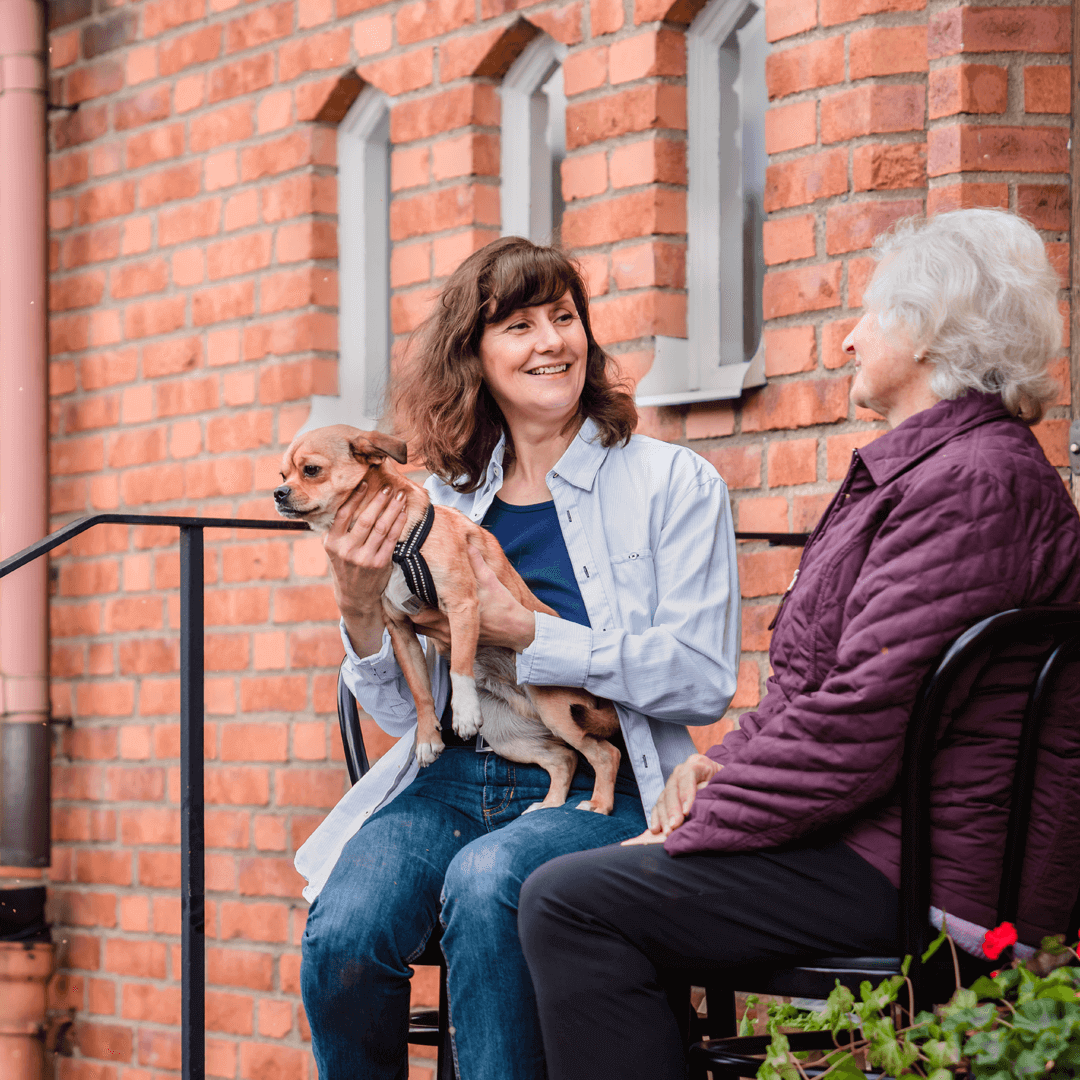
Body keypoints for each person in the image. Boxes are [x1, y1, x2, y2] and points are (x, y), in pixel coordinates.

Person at [517, 208, 1080, 1080]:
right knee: (594, 887)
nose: (848, 340)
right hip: (884, 840)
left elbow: (862, 722)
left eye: (872, 314)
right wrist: (718, 770)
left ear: (927, 333)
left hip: (930, 876)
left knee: (573, 900)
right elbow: (821, 694)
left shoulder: (972, 488)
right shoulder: (945, 472)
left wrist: (700, 826)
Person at [295, 236, 741, 1079]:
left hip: (614, 785)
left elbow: (702, 679)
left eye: (564, 318)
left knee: (488, 881)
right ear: (475, 358)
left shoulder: (672, 483)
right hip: (455, 780)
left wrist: (529, 633)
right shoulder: (441, 502)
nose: (550, 343)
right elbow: (400, 713)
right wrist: (357, 607)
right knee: (348, 925)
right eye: (518, 326)